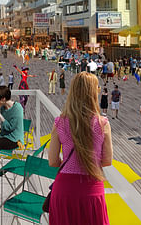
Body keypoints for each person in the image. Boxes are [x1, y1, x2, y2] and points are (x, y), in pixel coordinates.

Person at [47, 72, 112, 225]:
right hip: (91, 188)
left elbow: (53, 161)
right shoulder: (102, 123)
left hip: (64, 189)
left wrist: (70, 164)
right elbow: (107, 160)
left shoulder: (60, 122)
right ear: (94, 92)